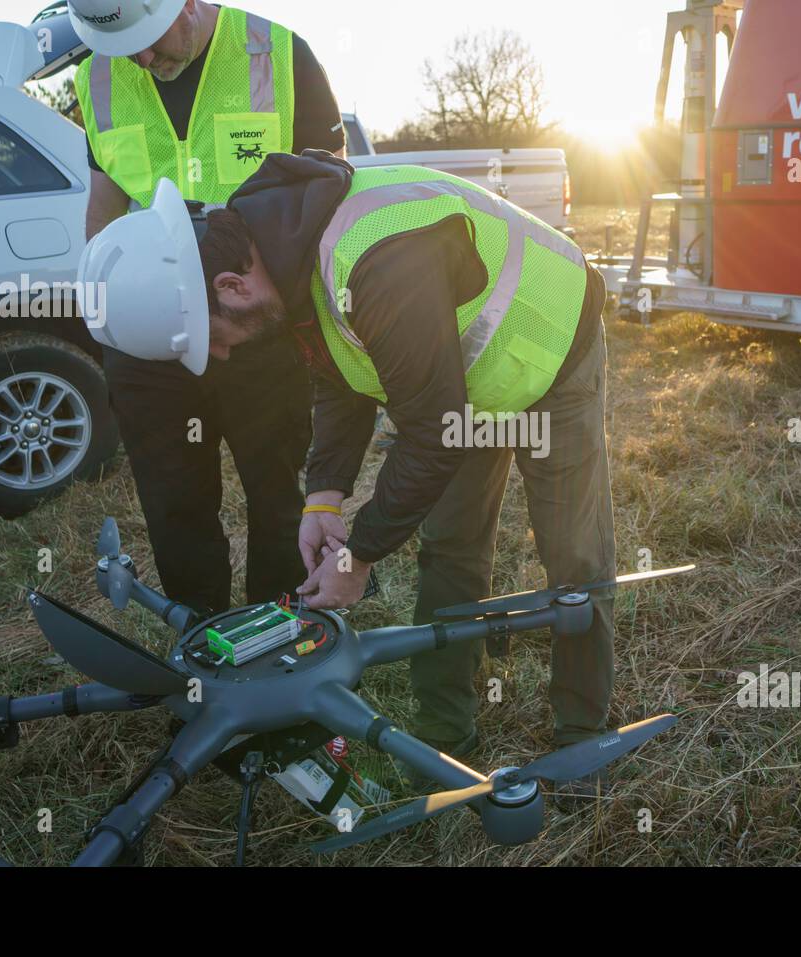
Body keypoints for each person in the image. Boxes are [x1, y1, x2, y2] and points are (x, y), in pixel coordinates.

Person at [79, 153, 617, 797]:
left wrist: (358, 556)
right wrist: (323, 500)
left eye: (211, 337)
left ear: (229, 286)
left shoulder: (378, 261)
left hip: (548, 340)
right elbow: (343, 373)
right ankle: (445, 735)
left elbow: (432, 436)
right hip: (453, 386)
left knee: (574, 556)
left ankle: (582, 741)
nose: (220, 354)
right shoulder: (280, 251)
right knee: (449, 548)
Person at [67, 0, 344, 615]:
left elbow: (328, 188)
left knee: (278, 498)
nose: (140, 58)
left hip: (256, 327)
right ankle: (202, 652)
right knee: (173, 502)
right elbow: (105, 198)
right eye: (121, 46)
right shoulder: (97, 76)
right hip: (151, 334)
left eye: (149, 38)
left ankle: (280, 639)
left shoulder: (278, 53)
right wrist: (105, 311)